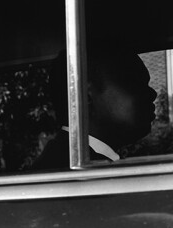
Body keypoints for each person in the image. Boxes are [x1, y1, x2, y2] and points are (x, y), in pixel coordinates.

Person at [29, 48, 157, 171]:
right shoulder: (72, 172)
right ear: (86, 96)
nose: (152, 93)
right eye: (134, 83)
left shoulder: (71, 162)